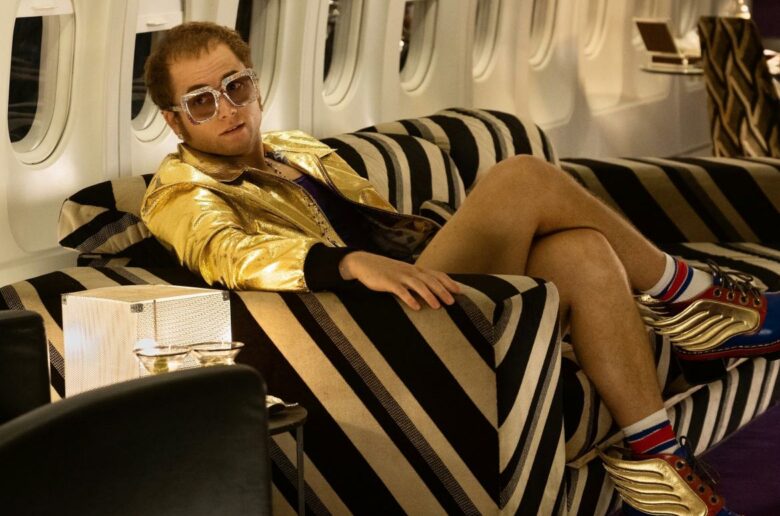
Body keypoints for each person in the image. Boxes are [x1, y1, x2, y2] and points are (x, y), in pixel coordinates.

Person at [141, 21, 778, 515]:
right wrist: (350, 263)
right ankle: (693, 294)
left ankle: (660, 460)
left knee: (583, 249)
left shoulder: (296, 149)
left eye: (236, 87)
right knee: (520, 176)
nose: (228, 108)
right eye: (201, 102)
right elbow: (229, 252)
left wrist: (407, 247)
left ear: (255, 86)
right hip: (368, 323)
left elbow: (383, 223)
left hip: (417, 280)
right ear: (173, 120)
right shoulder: (179, 191)